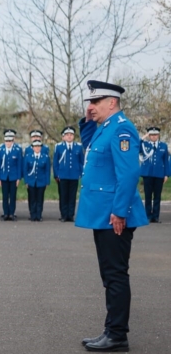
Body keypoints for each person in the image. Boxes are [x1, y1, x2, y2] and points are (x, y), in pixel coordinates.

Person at [76, 80, 148, 352]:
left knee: (115, 275)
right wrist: (87, 123)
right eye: (89, 102)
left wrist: (119, 212)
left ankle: (117, 334)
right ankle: (112, 330)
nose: (90, 106)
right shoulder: (105, 129)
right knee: (110, 274)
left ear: (112, 102)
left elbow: (128, 174)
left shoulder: (121, 129)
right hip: (103, 214)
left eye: (95, 102)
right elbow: (91, 153)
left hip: (113, 216)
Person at [53, 126, 84, 222]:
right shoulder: (59, 147)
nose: (69, 136)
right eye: (67, 135)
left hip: (74, 175)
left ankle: (70, 215)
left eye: (71, 135)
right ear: (63, 137)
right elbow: (55, 162)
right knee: (63, 195)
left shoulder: (78, 147)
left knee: (72, 196)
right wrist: (56, 174)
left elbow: (81, 161)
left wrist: (80, 173)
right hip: (62, 175)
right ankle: (63, 214)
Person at [139, 127, 169, 223]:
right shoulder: (145, 145)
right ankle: (148, 216)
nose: (153, 137)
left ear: (158, 135)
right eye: (151, 135)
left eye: (155, 135)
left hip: (159, 174)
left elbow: (166, 161)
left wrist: (166, 174)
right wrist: (144, 137)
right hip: (147, 174)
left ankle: (155, 216)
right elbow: (136, 145)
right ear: (149, 136)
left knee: (157, 196)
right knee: (148, 196)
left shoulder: (163, 146)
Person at [0, 129, 23, 221]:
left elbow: (19, 165)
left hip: (13, 177)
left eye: (10, 141)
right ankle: (5, 213)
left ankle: (11, 213)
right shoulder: (0, 150)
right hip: (4, 177)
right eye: (6, 141)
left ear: (13, 141)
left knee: (12, 196)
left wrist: (19, 177)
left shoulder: (17, 150)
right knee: (5, 196)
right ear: (4, 141)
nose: (8, 143)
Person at [24, 141, 51, 221]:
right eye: (35, 146)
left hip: (41, 181)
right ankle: (32, 215)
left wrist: (47, 182)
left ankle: (39, 215)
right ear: (32, 148)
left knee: (40, 199)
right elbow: (25, 170)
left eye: (39, 146)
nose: (37, 148)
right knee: (32, 199)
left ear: (41, 148)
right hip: (31, 181)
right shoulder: (28, 157)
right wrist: (26, 181)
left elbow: (47, 171)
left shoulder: (45, 157)